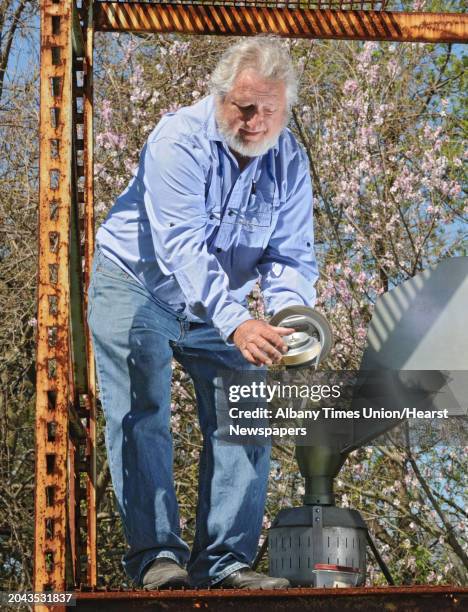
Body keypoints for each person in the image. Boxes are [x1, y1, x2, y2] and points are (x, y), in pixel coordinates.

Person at [87, 36, 318, 590]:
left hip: (220, 305)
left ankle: (224, 563)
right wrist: (238, 321)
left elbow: (290, 255)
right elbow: (182, 247)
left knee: (249, 401)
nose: (256, 122)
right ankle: (157, 559)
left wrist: (287, 321)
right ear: (219, 98)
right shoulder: (178, 140)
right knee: (143, 410)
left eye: (269, 110)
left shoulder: (289, 161)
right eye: (244, 107)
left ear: (285, 109)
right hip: (138, 283)